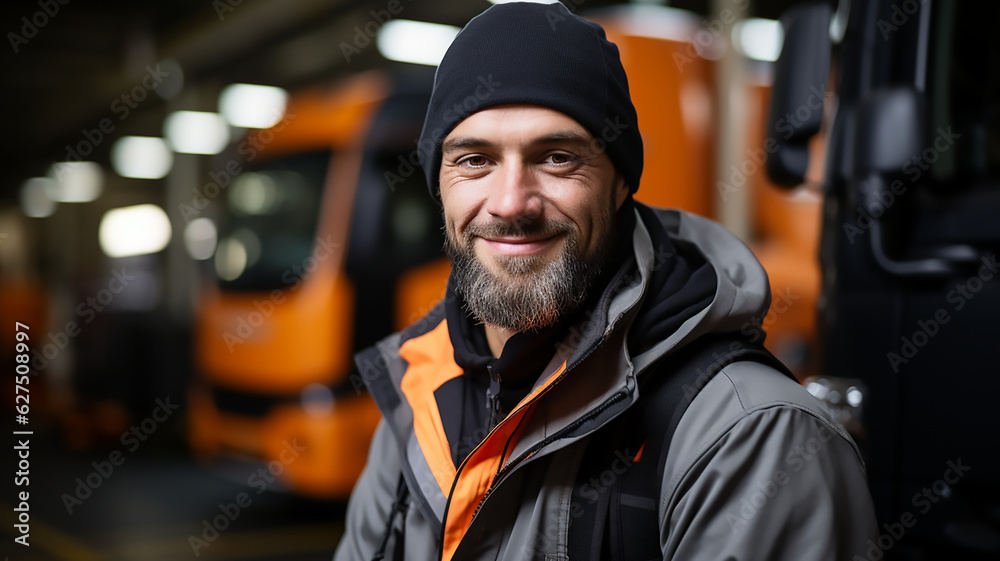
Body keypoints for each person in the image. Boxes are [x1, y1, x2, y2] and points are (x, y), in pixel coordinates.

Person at [334, 3, 878, 560]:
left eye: (556, 157)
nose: (509, 202)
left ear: (621, 183)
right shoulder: (416, 398)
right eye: (474, 160)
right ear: (440, 187)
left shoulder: (751, 437)